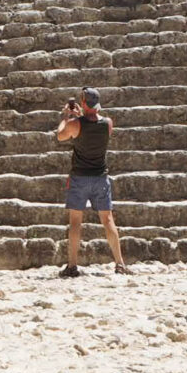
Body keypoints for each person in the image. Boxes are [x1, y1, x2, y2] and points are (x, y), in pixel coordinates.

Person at [54, 88, 127, 277]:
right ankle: (119, 263)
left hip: (79, 178)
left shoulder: (74, 124)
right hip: (100, 177)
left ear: (84, 103)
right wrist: (80, 116)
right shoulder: (108, 124)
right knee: (108, 220)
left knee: (75, 222)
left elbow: (61, 135)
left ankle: (72, 265)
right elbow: (93, 124)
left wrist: (66, 116)